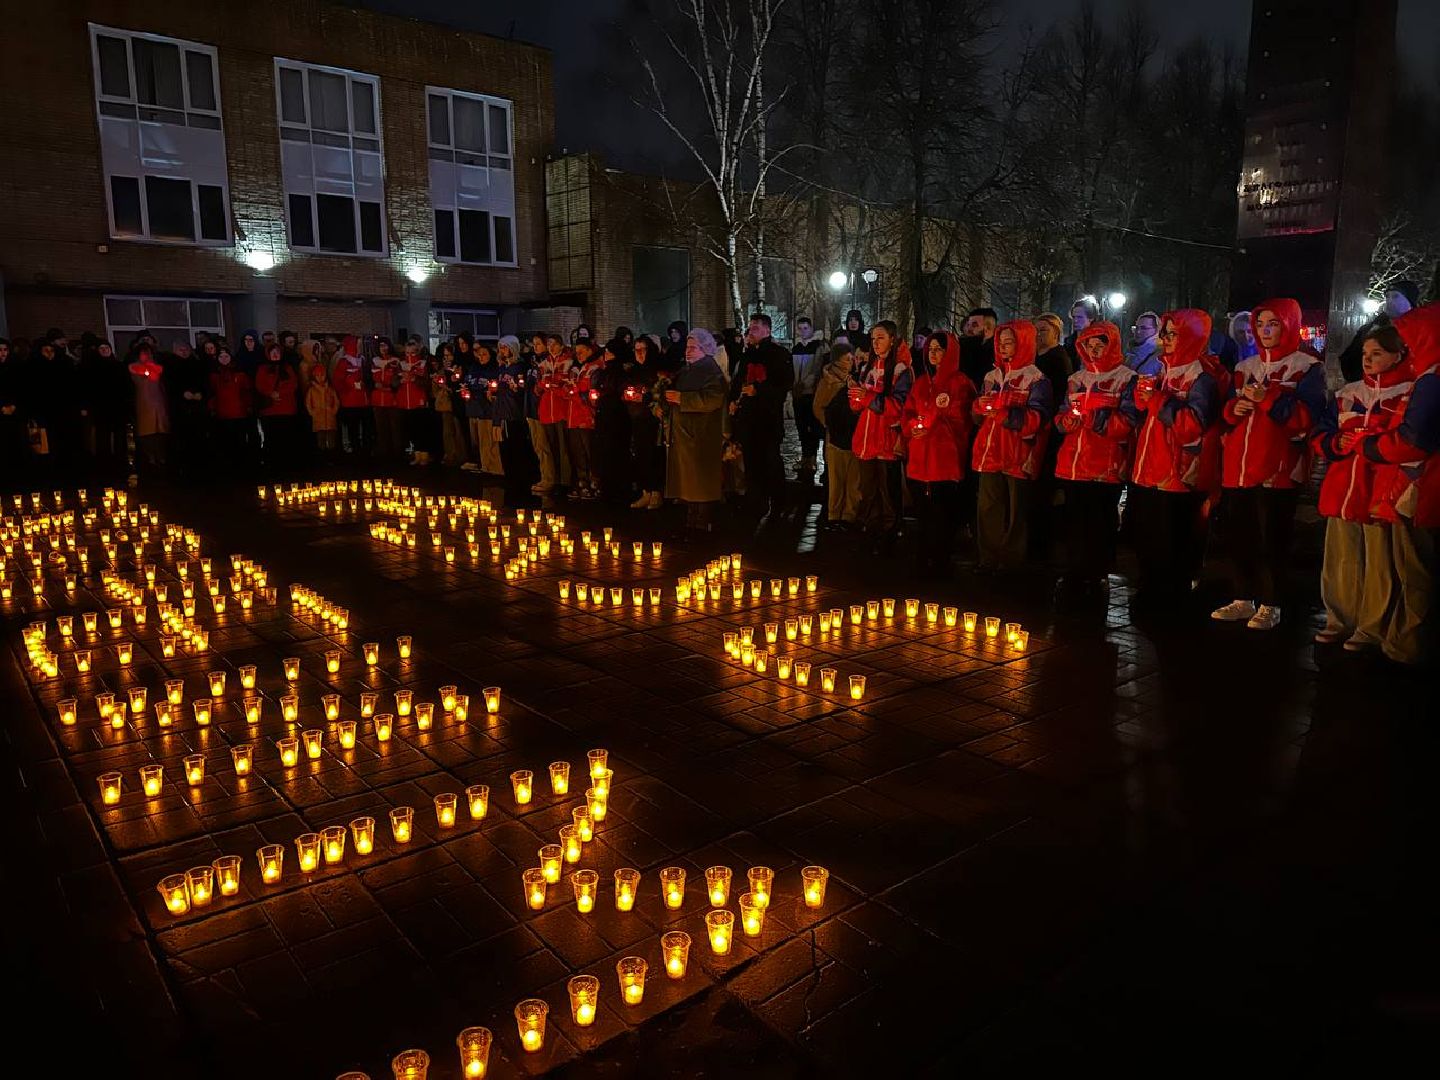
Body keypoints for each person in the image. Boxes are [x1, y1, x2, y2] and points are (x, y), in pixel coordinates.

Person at [1211, 298, 1326, 630]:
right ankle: (1242, 596)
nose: (1265, 331)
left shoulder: (1306, 367)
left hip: (1278, 468)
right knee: (1241, 534)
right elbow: (1227, 414)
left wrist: (1270, 399)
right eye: (1260, 324)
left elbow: (1306, 419)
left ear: (1288, 325)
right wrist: (1234, 411)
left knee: (1272, 537)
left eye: (1273, 324)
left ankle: (1272, 601)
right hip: (1240, 465)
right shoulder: (1244, 368)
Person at [1313, 325, 1413, 652]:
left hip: (1379, 490)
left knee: (1379, 563)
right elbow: (1322, 433)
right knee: (1342, 557)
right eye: (1366, 354)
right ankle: (1339, 619)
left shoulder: (1408, 394)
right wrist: (1334, 442)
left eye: (1377, 354)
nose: (1368, 360)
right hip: (1343, 488)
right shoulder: (1348, 393)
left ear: (1398, 355)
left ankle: (1371, 627)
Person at [1356, 303, 1440, 664]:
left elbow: (1413, 439)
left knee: (1417, 571)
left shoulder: (1431, 379)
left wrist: (1370, 446)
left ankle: (1407, 646)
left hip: (1427, 486)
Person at [1128, 309, 1223, 600]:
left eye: (1172, 334)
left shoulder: (1201, 377)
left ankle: (1172, 594)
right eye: (1165, 333)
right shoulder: (1163, 369)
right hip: (1151, 468)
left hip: (1178, 472)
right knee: (1150, 534)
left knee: (1173, 537)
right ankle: (1151, 587)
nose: (1166, 339)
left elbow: (1193, 425)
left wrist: (1157, 400)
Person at [1053, 321, 1139, 597]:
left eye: (1099, 346)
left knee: (1100, 521)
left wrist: (1095, 420)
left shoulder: (1126, 378)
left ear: (1111, 346)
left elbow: (1127, 421)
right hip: (1074, 462)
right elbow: (1061, 414)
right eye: (1088, 346)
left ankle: (1097, 571)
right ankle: (1074, 569)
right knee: (1075, 520)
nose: (1093, 352)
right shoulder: (1077, 379)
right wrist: (1066, 421)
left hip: (1105, 463)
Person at [971, 320, 1054, 570]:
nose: (1003, 347)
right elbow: (978, 415)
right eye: (1000, 342)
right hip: (990, 450)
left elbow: (1039, 419)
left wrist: (1005, 415)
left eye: (1009, 342)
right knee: (988, 507)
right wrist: (978, 408)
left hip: (1018, 452)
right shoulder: (991, 376)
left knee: (1017, 511)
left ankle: (1011, 562)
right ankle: (988, 558)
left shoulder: (1036, 379)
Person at [902, 331, 976, 577]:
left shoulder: (961, 382)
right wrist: (914, 427)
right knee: (923, 514)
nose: (933, 353)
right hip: (919, 459)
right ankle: (923, 559)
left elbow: (961, 419)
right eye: (930, 349)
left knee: (943, 514)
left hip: (945, 460)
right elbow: (909, 412)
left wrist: (931, 419)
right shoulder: (922, 382)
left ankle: (941, 561)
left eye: (939, 349)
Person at [851, 319, 912, 551]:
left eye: (881, 338)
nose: (876, 343)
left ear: (892, 340)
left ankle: (890, 534)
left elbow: (898, 406)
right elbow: (862, 402)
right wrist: (856, 399)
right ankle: (871, 530)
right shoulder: (870, 367)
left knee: (888, 493)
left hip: (886, 441)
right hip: (866, 440)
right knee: (868, 491)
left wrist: (867, 399)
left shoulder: (899, 370)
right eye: (873, 339)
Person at [728, 312, 794, 518]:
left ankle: (778, 502)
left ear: (767, 329)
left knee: (771, 461)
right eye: (750, 327)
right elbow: (738, 380)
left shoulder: (779, 355)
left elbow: (784, 384)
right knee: (751, 461)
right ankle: (756, 501)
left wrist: (759, 390)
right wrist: (733, 400)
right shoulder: (747, 355)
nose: (751, 331)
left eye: (756, 327)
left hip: (768, 419)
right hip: (748, 419)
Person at [663, 328, 729, 532]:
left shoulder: (711, 371)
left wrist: (683, 399)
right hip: (685, 434)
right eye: (687, 347)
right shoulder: (687, 370)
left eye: (693, 348)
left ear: (705, 349)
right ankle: (691, 518)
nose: (688, 351)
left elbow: (712, 399)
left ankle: (703, 521)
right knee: (689, 480)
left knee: (701, 480)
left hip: (701, 434)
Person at [815, 339, 862, 529]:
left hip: (853, 436)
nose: (851, 362)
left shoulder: (854, 379)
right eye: (848, 359)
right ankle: (834, 515)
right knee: (836, 479)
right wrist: (831, 425)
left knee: (853, 480)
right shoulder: (828, 382)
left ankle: (849, 515)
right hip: (835, 438)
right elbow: (818, 406)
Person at [1340, 280, 1419, 382]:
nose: (1389, 300)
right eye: (1387, 296)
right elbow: (1350, 357)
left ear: (1409, 302)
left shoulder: (1421, 330)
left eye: (1395, 296)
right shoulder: (1370, 329)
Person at [492, 335, 539, 505]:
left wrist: (515, 388)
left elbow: (521, 388)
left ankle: (520, 479)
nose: (502, 351)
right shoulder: (502, 368)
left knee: (516, 446)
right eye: (500, 348)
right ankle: (509, 476)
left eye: (505, 348)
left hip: (515, 413)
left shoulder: (520, 367)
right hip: (502, 412)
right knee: (505, 447)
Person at [78, 337, 130, 479]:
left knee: (120, 438)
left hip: (117, 408)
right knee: (103, 438)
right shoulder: (92, 368)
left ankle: (120, 465)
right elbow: (87, 389)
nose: (105, 351)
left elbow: (126, 387)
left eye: (107, 348)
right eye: (102, 349)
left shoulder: (119, 366)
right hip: (101, 408)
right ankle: (104, 466)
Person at [591, 337, 633, 503]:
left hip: (617, 418)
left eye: (609, 351)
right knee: (604, 452)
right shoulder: (604, 372)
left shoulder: (620, 373)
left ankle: (617, 489)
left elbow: (620, 394)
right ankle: (606, 486)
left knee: (615, 452)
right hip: (604, 416)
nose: (606, 354)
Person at [626, 334, 665, 509]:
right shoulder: (633, 371)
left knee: (654, 455)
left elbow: (659, 393)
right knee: (640, 454)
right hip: (637, 418)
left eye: (643, 350)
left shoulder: (658, 371)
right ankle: (645, 491)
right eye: (637, 350)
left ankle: (656, 492)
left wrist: (647, 398)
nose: (640, 354)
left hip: (653, 420)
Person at [533, 334, 571, 495]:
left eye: (554, 344)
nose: (551, 347)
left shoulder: (568, 362)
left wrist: (553, 384)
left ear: (561, 346)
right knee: (551, 447)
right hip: (547, 411)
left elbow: (566, 384)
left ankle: (566, 481)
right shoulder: (544, 364)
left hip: (561, 410)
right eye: (549, 344)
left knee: (564, 448)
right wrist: (541, 385)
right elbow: (538, 386)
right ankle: (554, 480)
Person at [254, 343, 300, 475]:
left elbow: (293, 384)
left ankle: (286, 466)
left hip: (286, 408)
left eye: (277, 352)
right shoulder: (263, 368)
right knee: (271, 438)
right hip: (270, 410)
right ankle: (272, 466)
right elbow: (259, 384)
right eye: (273, 352)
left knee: (285, 438)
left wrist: (281, 393)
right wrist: (270, 393)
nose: (275, 354)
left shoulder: (287, 368)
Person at [790, 316, 827, 481]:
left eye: (806, 328)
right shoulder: (796, 347)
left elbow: (817, 368)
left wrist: (804, 383)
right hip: (798, 392)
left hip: (811, 392)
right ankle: (805, 456)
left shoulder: (818, 346)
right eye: (800, 328)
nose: (803, 331)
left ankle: (811, 458)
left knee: (812, 426)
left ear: (811, 329)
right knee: (801, 426)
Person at [166, 340, 209, 478]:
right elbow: (168, 386)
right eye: (180, 349)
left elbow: (205, 383)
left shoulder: (197, 365)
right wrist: (182, 394)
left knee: (198, 439)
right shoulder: (170, 366)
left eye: (186, 349)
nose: (184, 352)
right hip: (180, 410)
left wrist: (201, 394)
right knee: (181, 441)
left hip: (197, 408)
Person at [209, 346, 254, 471]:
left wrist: (248, 406)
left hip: (239, 412)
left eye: (226, 356)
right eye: (221, 356)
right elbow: (212, 393)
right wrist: (212, 408)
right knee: (225, 442)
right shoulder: (214, 375)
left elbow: (246, 391)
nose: (224, 359)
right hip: (221, 413)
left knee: (239, 441)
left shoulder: (240, 374)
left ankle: (241, 465)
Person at [128, 343, 170, 476]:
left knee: (160, 431)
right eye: (143, 353)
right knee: (147, 432)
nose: (146, 356)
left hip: (159, 403)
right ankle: (150, 459)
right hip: (144, 404)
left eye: (149, 353)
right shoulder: (134, 368)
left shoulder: (157, 368)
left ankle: (161, 458)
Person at [565, 338, 599, 498]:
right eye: (576, 352)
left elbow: (590, 394)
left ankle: (595, 482)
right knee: (578, 452)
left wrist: (575, 392)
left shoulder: (594, 368)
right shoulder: (577, 368)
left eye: (581, 351)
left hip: (586, 417)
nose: (578, 355)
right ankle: (582, 481)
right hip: (573, 417)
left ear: (589, 351)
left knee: (590, 451)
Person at [464, 343, 503, 475]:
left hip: (487, 410)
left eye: (484, 354)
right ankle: (483, 464)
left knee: (489, 440)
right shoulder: (474, 369)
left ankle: (493, 468)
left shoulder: (493, 370)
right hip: (473, 409)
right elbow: (467, 383)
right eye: (479, 355)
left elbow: (495, 388)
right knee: (479, 440)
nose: (481, 357)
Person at [396, 337, 432, 465]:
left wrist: (413, 379)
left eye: (412, 352)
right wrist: (400, 380)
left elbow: (427, 383)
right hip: (405, 402)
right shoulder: (400, 364)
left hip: (419, 401)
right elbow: (393, 382)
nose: (409, 355)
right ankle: (416, 455)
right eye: (407, 353)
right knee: (411, 430)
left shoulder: (422, 364)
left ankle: (424, 454)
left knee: (421, 429)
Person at [333, 336, 371, 457]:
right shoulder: (344, 362)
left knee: (364, 427)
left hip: (363, 400)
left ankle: (364, 448)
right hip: (350, 401)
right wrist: (349, 385)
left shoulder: (362, 360)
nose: (360, 347)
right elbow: (337, 381)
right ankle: (354, 449)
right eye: (358, 344)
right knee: (352, 427)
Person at [370, 337, 403, 462]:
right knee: (381, 428)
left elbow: (398, 379)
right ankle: (383, 454)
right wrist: (375, 385)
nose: (383, 348)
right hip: (378, 399)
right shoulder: (374, 361)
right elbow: (371, 378)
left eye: (385, 345)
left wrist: (390, 387)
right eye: (380, 346)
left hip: (392, 398)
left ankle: (397, 454)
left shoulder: (395, 362)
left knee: (395, 428)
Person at [433, 342, 466, 467]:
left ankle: (461, 455)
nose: (447, 359)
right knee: (447, 431)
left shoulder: (458, 368)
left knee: (458, 430)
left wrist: (448, 386)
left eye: (449, 355)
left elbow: (457, 386)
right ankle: (450, 454)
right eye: (445, 356)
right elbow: (436, 388)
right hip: (445, 404)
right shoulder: (442, 370)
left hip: (457, 403)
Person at [0, 338, 25, 488]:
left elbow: (22, 390)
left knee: (16, 446)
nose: (2, 353)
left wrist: (15, 406)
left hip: (15, 415)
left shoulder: (15, 368)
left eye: (4, 350)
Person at [306, 361, 340, 459]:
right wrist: (313, 413)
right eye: (318, 375)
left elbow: (336, 401)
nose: (320, 377)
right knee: (320, 439)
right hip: (318, 419)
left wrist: (333, 411)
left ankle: (331, 457)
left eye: (322, 375)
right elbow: (308, 403)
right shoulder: (311, 390)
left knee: (331, 439)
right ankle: (322, 458)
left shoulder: (330, 389)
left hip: (330, 418)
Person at [959, 307, 998, 390]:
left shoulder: (998, 352)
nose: (969, 329)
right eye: (968, 324)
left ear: (988, 329)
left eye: (974, 325)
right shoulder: (967, 347)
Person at [1065, 297, 1099, 366]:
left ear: (1091, 318)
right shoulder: (1068, 343)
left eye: (1079, 317)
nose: (1075, 320)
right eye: (1074, 317)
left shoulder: (1100, 343)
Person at [1127, 311, 1162, 376]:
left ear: (1156, 330)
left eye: (1144, 328)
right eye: (1136, 328)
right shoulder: (1130, 354)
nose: (1138, 331)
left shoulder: (1161, 358)